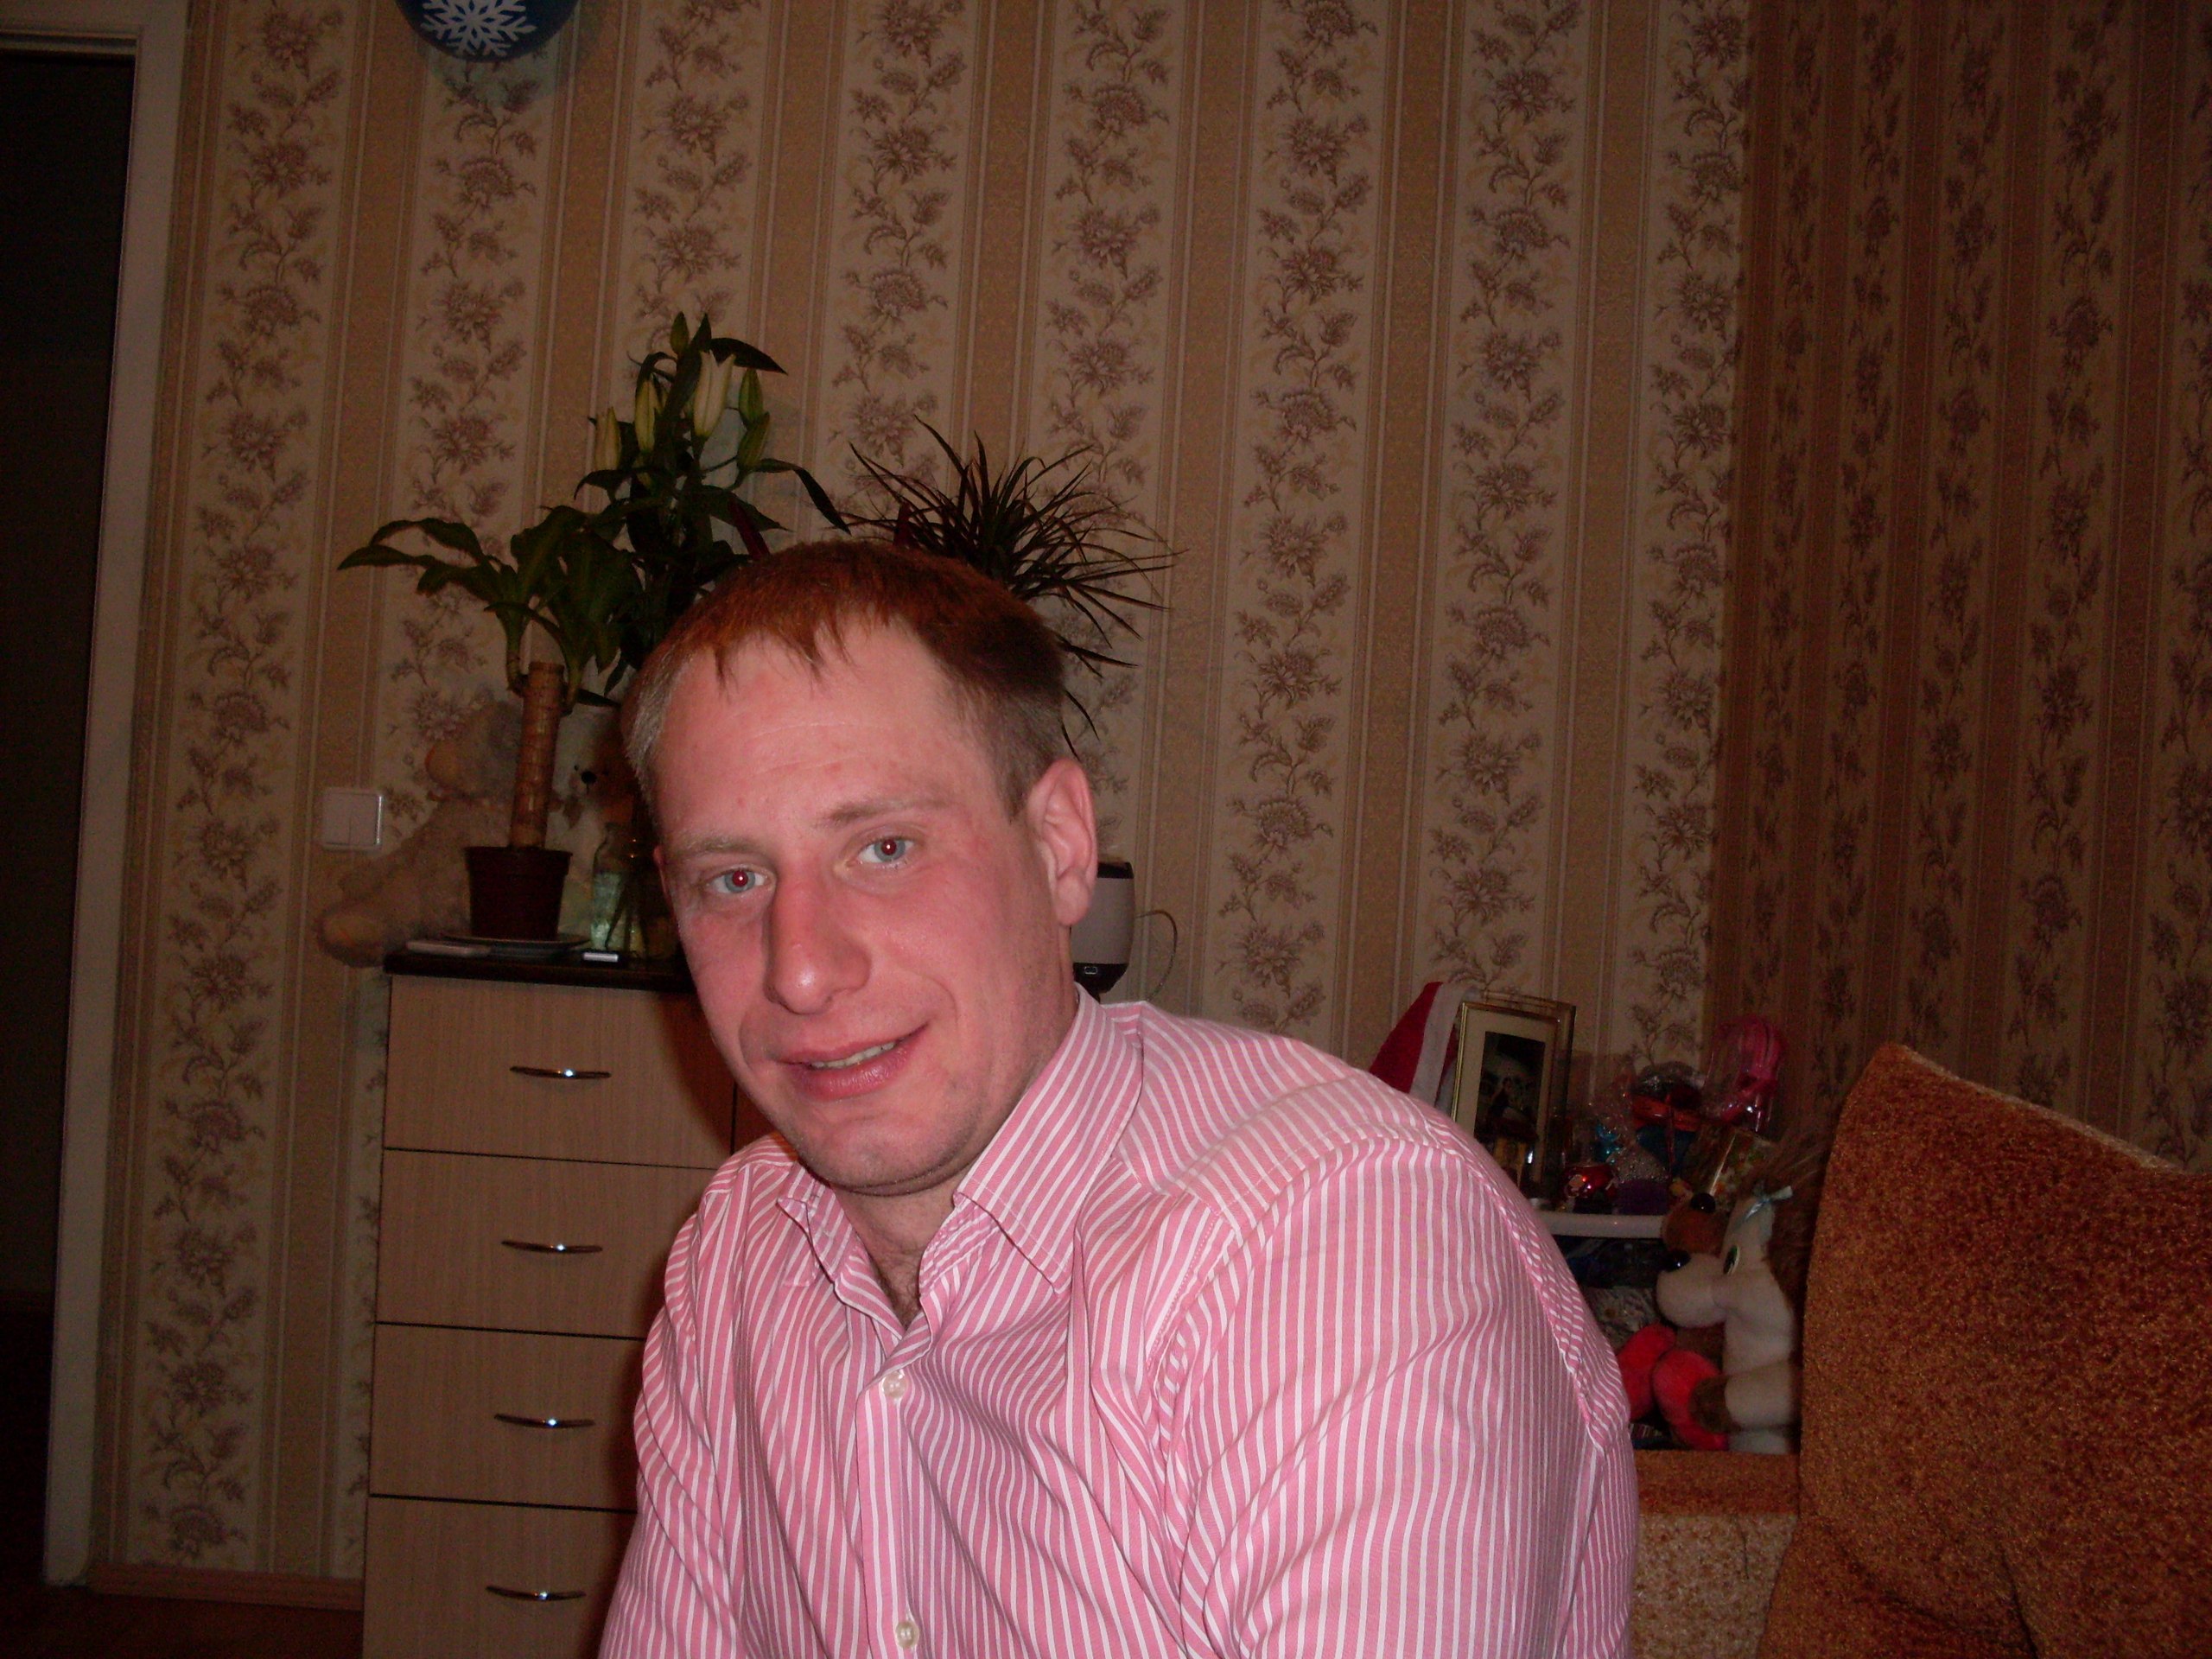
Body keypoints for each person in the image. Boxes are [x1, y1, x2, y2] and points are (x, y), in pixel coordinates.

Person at [598, 539, 1635, 1658]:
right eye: (733, 879)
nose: (800, 970)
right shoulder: (737, 1254)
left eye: (885, 847)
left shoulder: (1340, 1249)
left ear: (1059, 847)